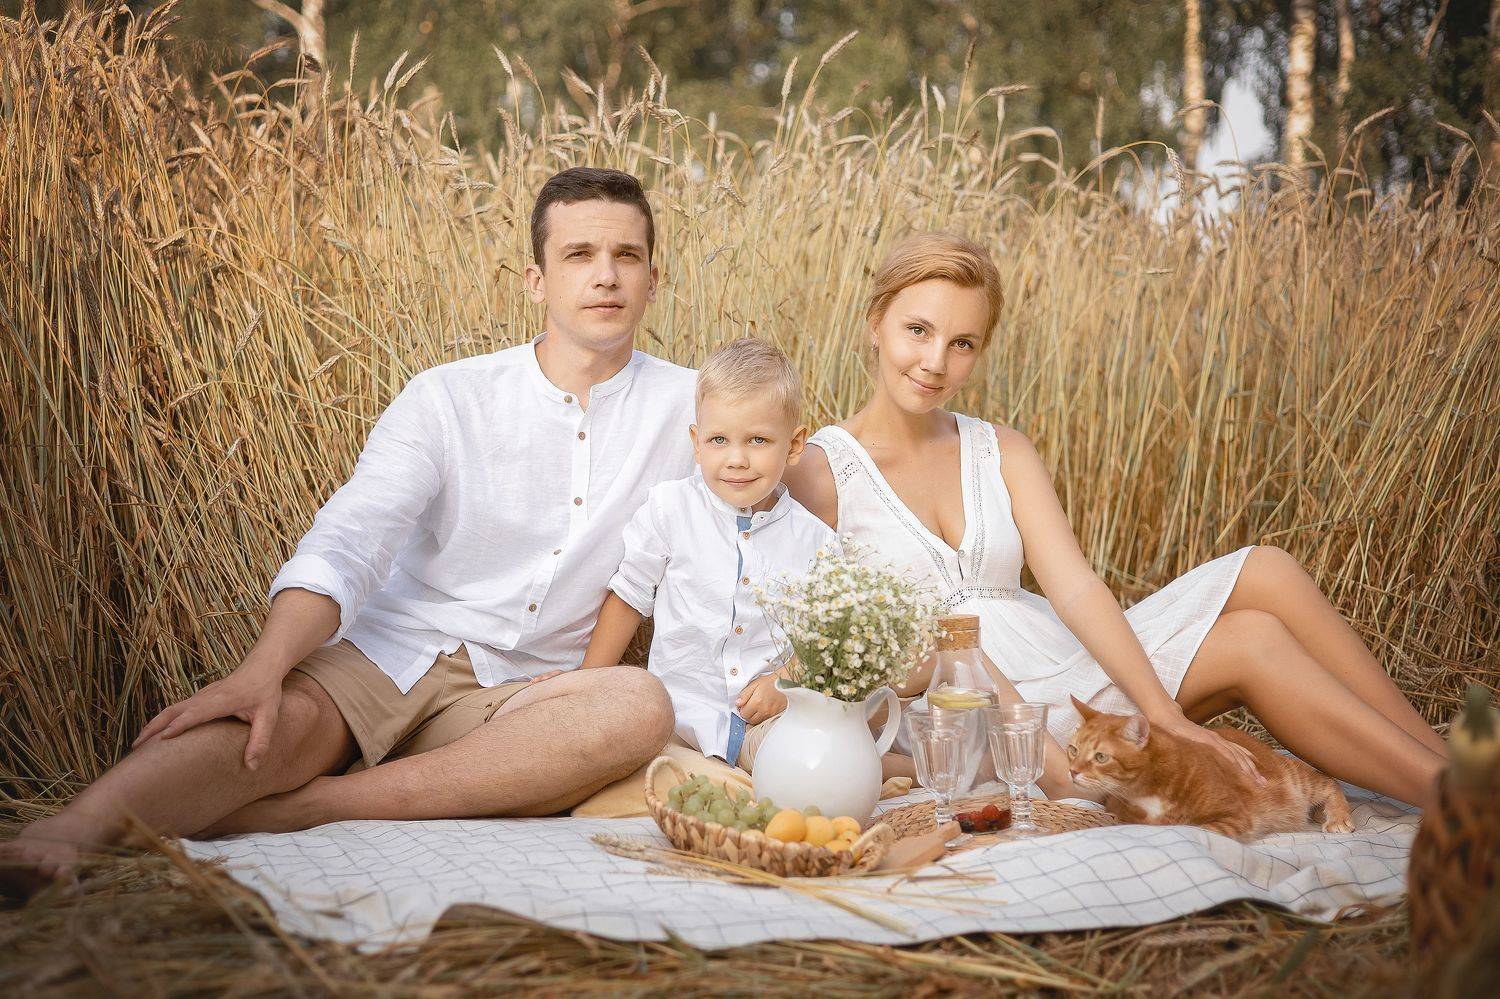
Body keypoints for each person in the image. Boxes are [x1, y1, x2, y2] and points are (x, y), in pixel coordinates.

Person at [1, 167, 697, 898]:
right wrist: (265, 666)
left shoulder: (693, 409)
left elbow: (777, 496)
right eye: (579, 254)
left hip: (529, 696)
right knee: (280, 721)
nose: (606, 275)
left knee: (636, 706)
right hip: (397, 651)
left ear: (653, 280)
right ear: (536, 280)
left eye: (627, 256)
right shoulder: (449, 397)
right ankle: (67, 833)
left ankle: (316, 806)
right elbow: (351, 538)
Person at [784, 231, 1448, 809]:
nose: (935, 362)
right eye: (918, 331)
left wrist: (1163, 713)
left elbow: (1074, 589)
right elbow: (812, 644)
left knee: (1266, 571)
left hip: (1069, 672)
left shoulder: (1000, 449)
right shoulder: (817, 472)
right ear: (875, 322)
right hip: (985, 716)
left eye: (963, 343)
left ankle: (1450, 768)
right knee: (1252, 640)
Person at [532, 337, 834, 772]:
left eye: (758, 440)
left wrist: (786, 682)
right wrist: (586, 685)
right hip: (679, 719)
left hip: (768, 721)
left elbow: (829, 636)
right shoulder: (670, 509)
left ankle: (897, 769)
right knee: (622, 751)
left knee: (808, 757)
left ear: (794, 444)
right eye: (719, 440)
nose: (736, 459)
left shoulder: (816, 542)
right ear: (696, 442)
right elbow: (629, 598)